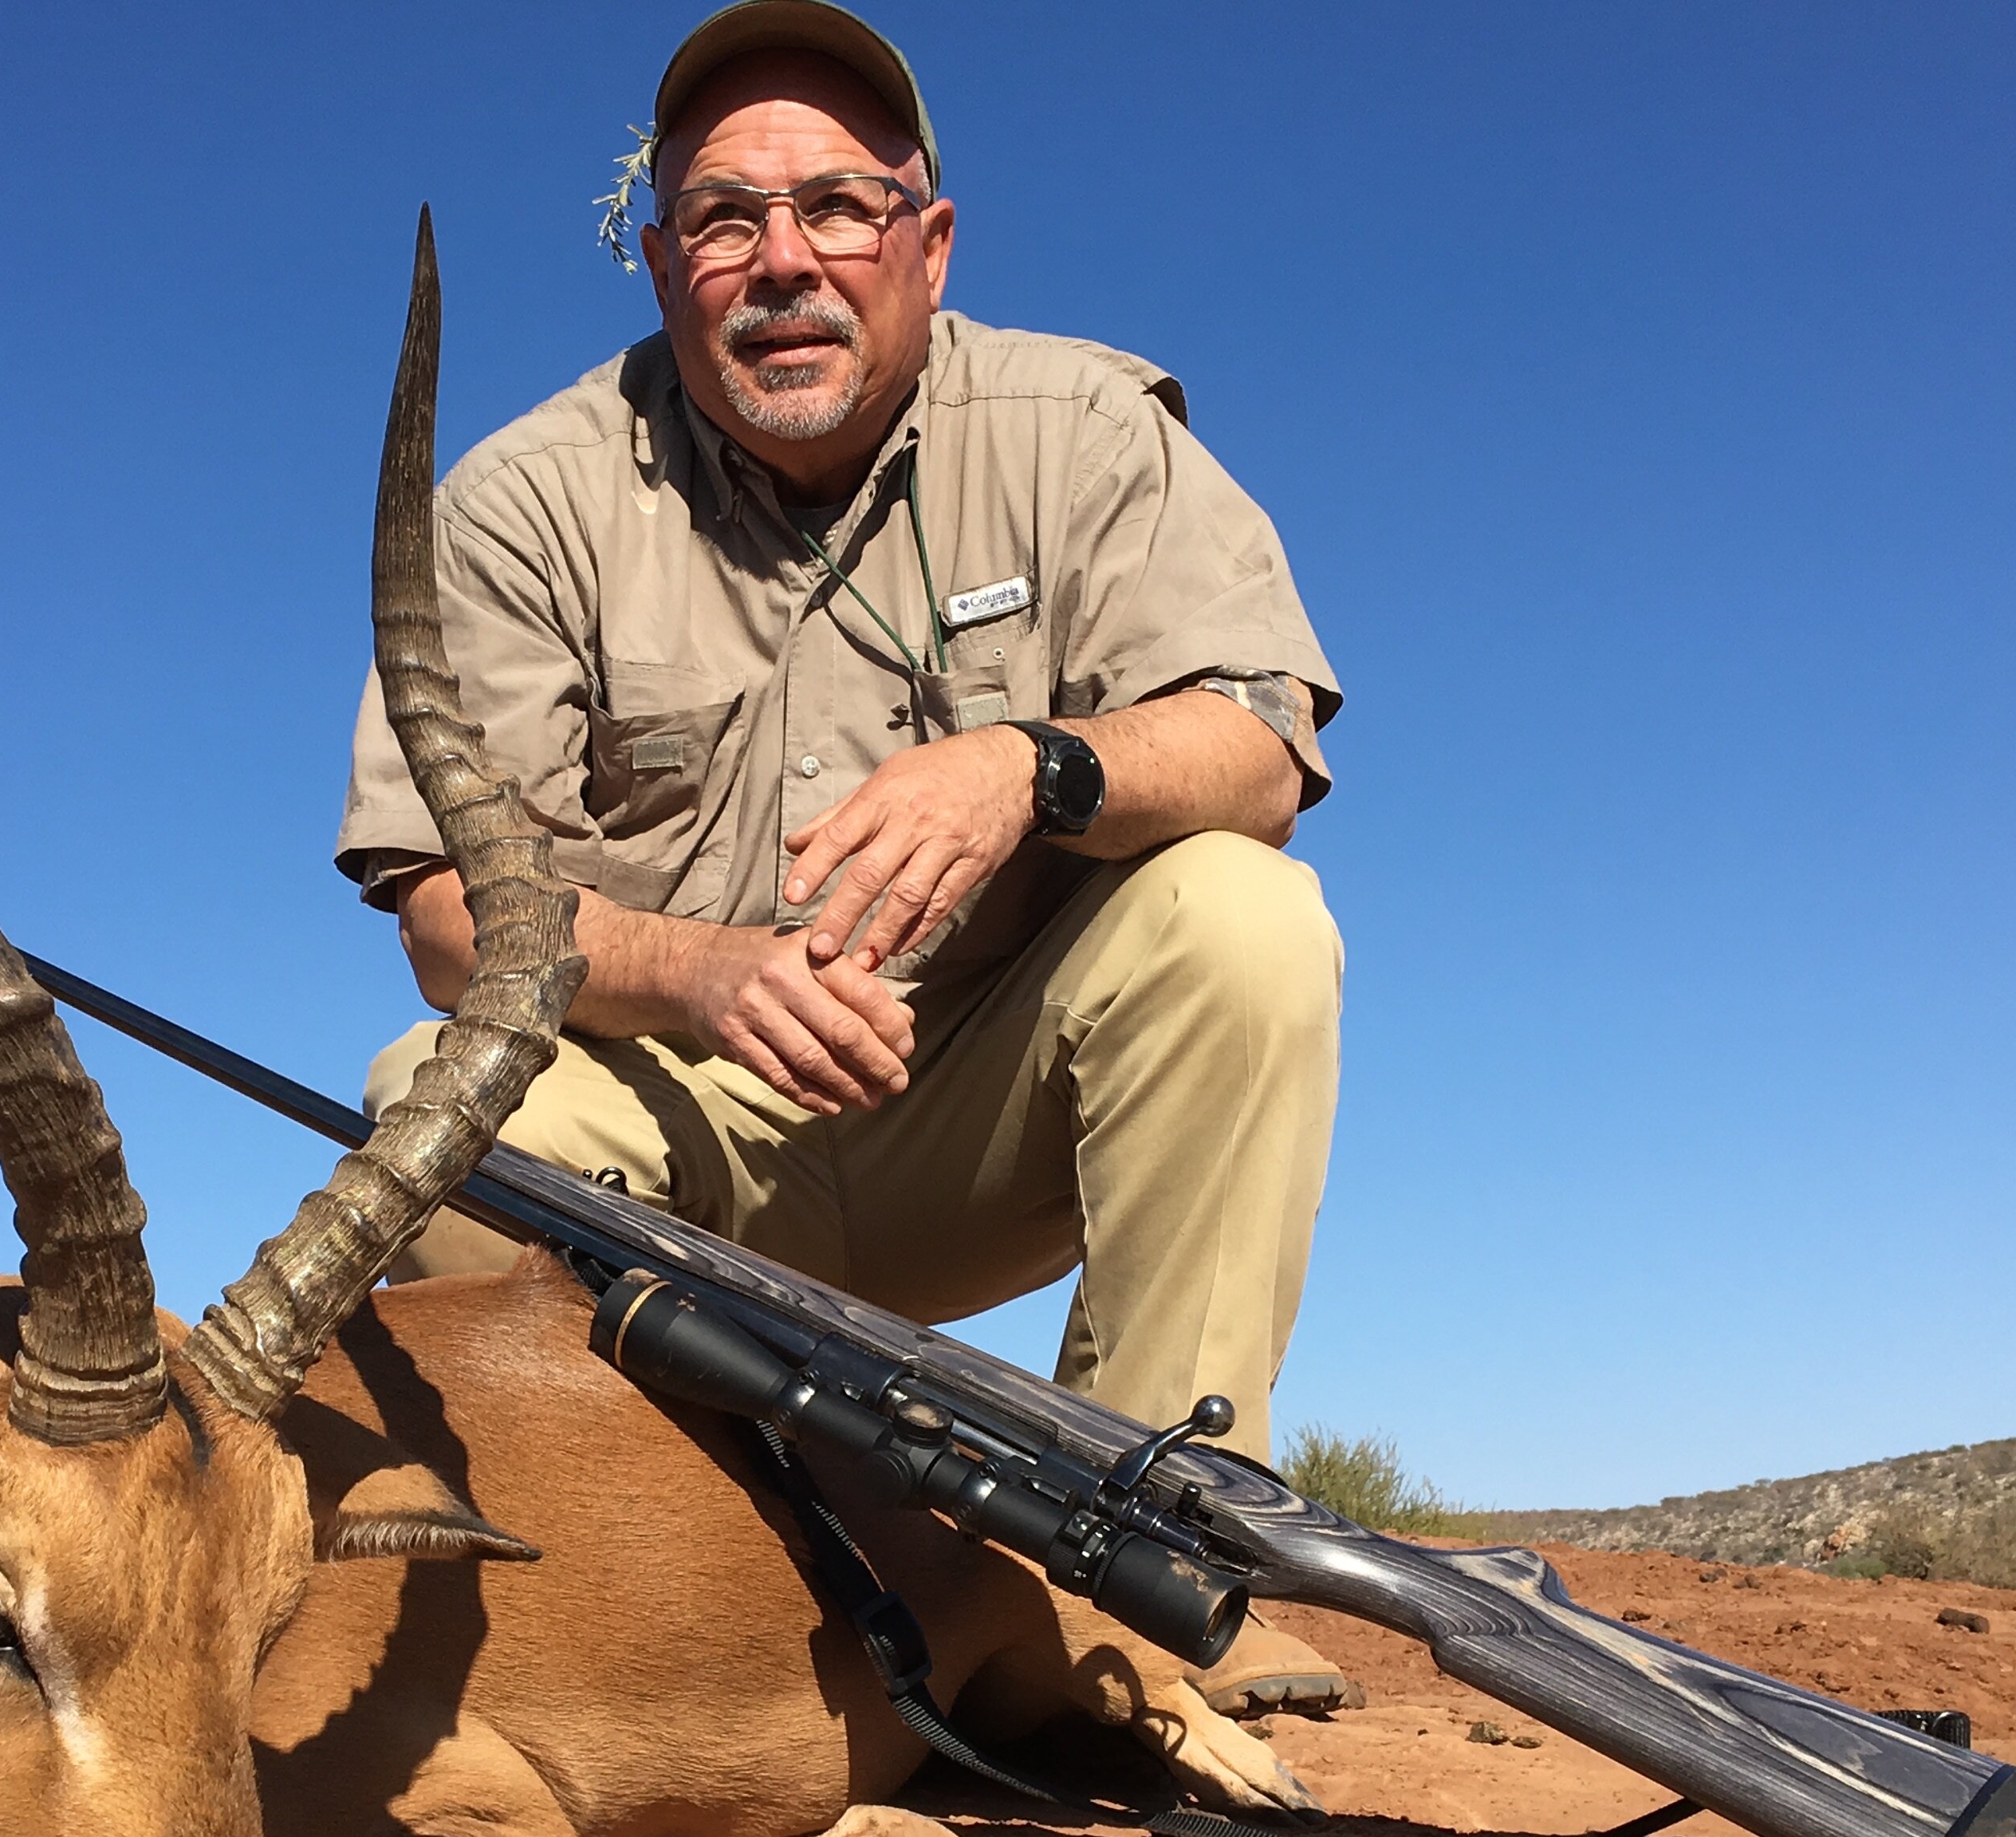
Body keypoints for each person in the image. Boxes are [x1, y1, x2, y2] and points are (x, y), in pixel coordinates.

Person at [336, 2, 1353, 1712]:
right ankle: (728, 1603)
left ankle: (1154, 1559)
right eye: (727, 218)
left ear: (928, 246)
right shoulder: (520, 506)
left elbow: (1260, 751)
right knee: (436, 1105)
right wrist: (694, 973)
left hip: (989, 1104)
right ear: (663, 264)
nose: (782, 260)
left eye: (839, 207)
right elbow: (448, 912)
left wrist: (1033, 770)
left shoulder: (1082, 427)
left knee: (1244, 922)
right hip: (685, 1135)